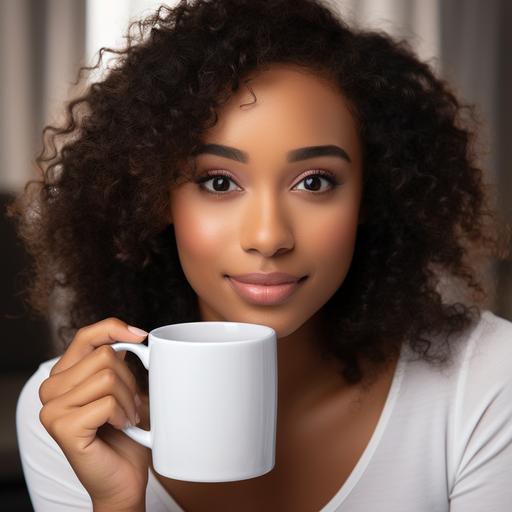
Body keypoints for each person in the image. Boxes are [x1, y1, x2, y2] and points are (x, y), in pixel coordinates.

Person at [9, 0, 512, 510]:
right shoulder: (73, 416)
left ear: (370, 195)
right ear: (157, 198)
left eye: (314, 182)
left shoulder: (486, 381)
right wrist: (117, 503)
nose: (269, 236)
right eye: (219, 182)